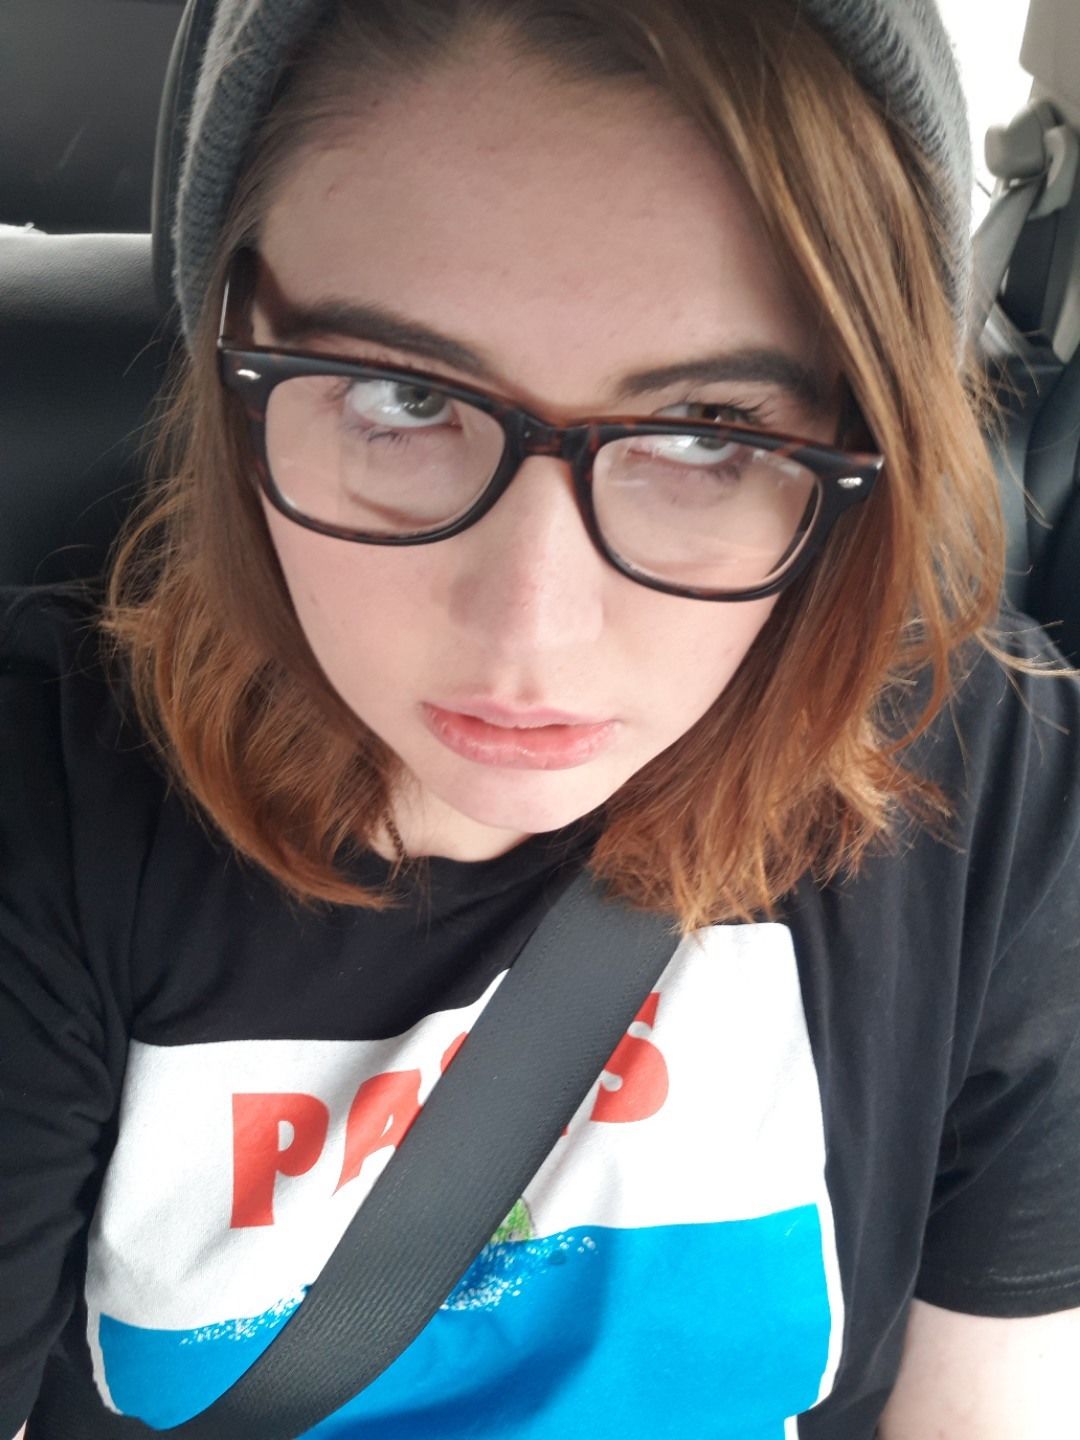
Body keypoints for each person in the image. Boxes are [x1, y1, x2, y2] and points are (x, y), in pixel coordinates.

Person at [2, 0, 1079, 1435]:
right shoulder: (46, 796)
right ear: (231, 350)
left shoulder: (982, 770)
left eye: (708, 435)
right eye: (399, 398)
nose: (531, 633)